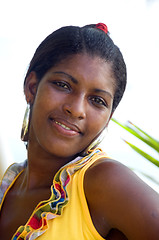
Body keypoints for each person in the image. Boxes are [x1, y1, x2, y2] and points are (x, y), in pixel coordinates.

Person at [0, 23, 159, 240]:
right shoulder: (8, 186)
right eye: (63, 85)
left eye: (97, 100)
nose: (76, 109)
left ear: (108, 118)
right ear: (32, 87)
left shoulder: (103, 183)